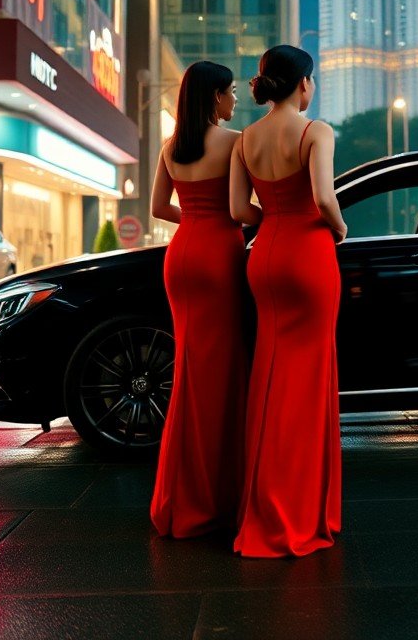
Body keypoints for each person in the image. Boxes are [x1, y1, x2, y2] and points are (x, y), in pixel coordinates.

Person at [229, 45, 347, 558]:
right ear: (302, 83)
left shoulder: (245, 139)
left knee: (270, 374)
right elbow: (324, 198)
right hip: (309, 255)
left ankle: (262, 502)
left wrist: (272, 222)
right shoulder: (315, 130)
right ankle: (299, 509)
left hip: (265, 257)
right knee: (309, 380)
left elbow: (238, 208)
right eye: (312, 79)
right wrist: (338, 230)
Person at [149, 60, 248, 539]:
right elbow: (239, 209)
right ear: (213, 97)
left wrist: (193, 217)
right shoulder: (234, 142)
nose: (235, 99)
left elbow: (157, 208)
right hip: (217, 255)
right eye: (230, 91)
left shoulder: (171, 146)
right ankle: (215, 495)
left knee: (189, 366)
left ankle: (180, 493)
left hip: (181, 254)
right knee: (220, 373)